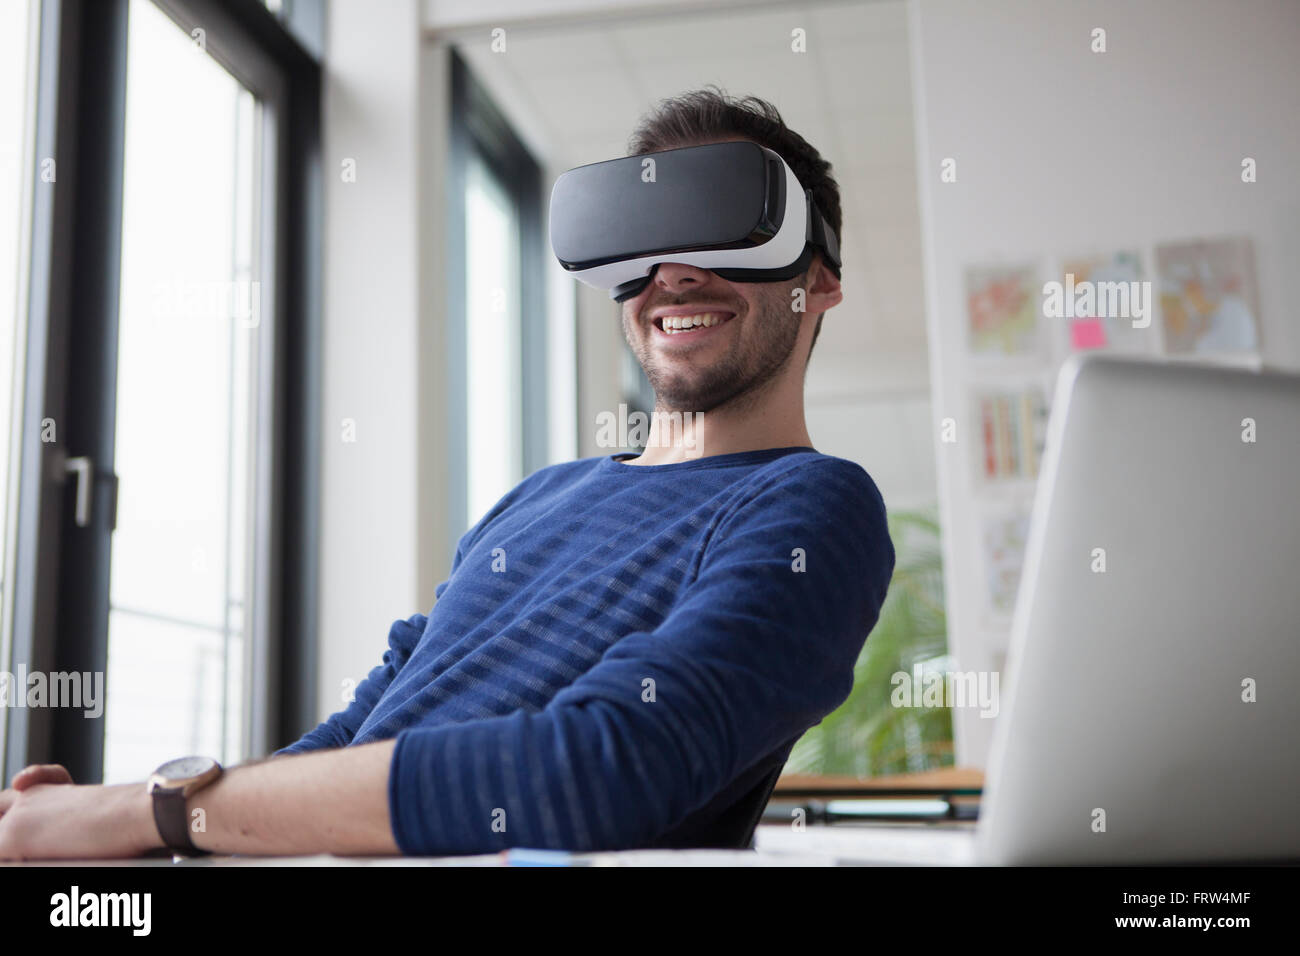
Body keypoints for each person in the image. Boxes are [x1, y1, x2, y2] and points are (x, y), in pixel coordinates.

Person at [0, 89, 894, 860]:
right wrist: (128, 829)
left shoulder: (813, 506)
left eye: (724, 229)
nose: (674, 273)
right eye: (646, 238)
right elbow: (359, 731)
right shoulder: (534, 499)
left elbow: (604, 766)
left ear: (816, 283)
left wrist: (156, 809)